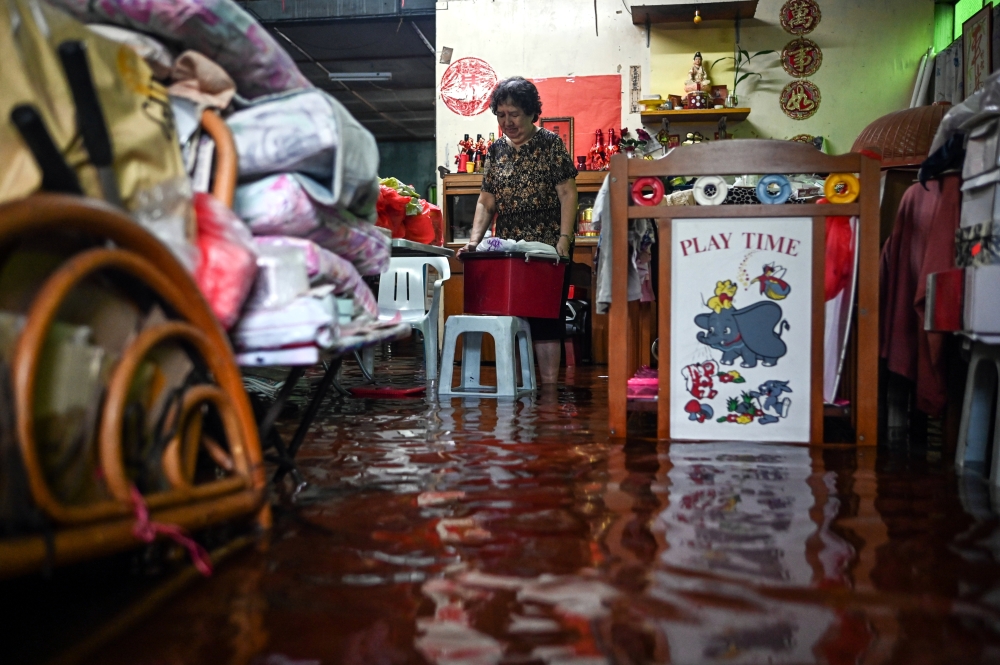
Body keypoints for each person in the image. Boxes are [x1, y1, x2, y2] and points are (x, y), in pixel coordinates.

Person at [457, 77, 578, 385]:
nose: (507, 122)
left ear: (531, 112)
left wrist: (564, 240)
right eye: (501, 115)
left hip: (547, 246)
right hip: (508, 248)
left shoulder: (550, 144)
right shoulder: (496, 150)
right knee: (510, 317)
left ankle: (548, 392)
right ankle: (515, 387)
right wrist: (474, 242)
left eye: (514, 114)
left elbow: (567, 193)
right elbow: (486, 201)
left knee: (546, 320)